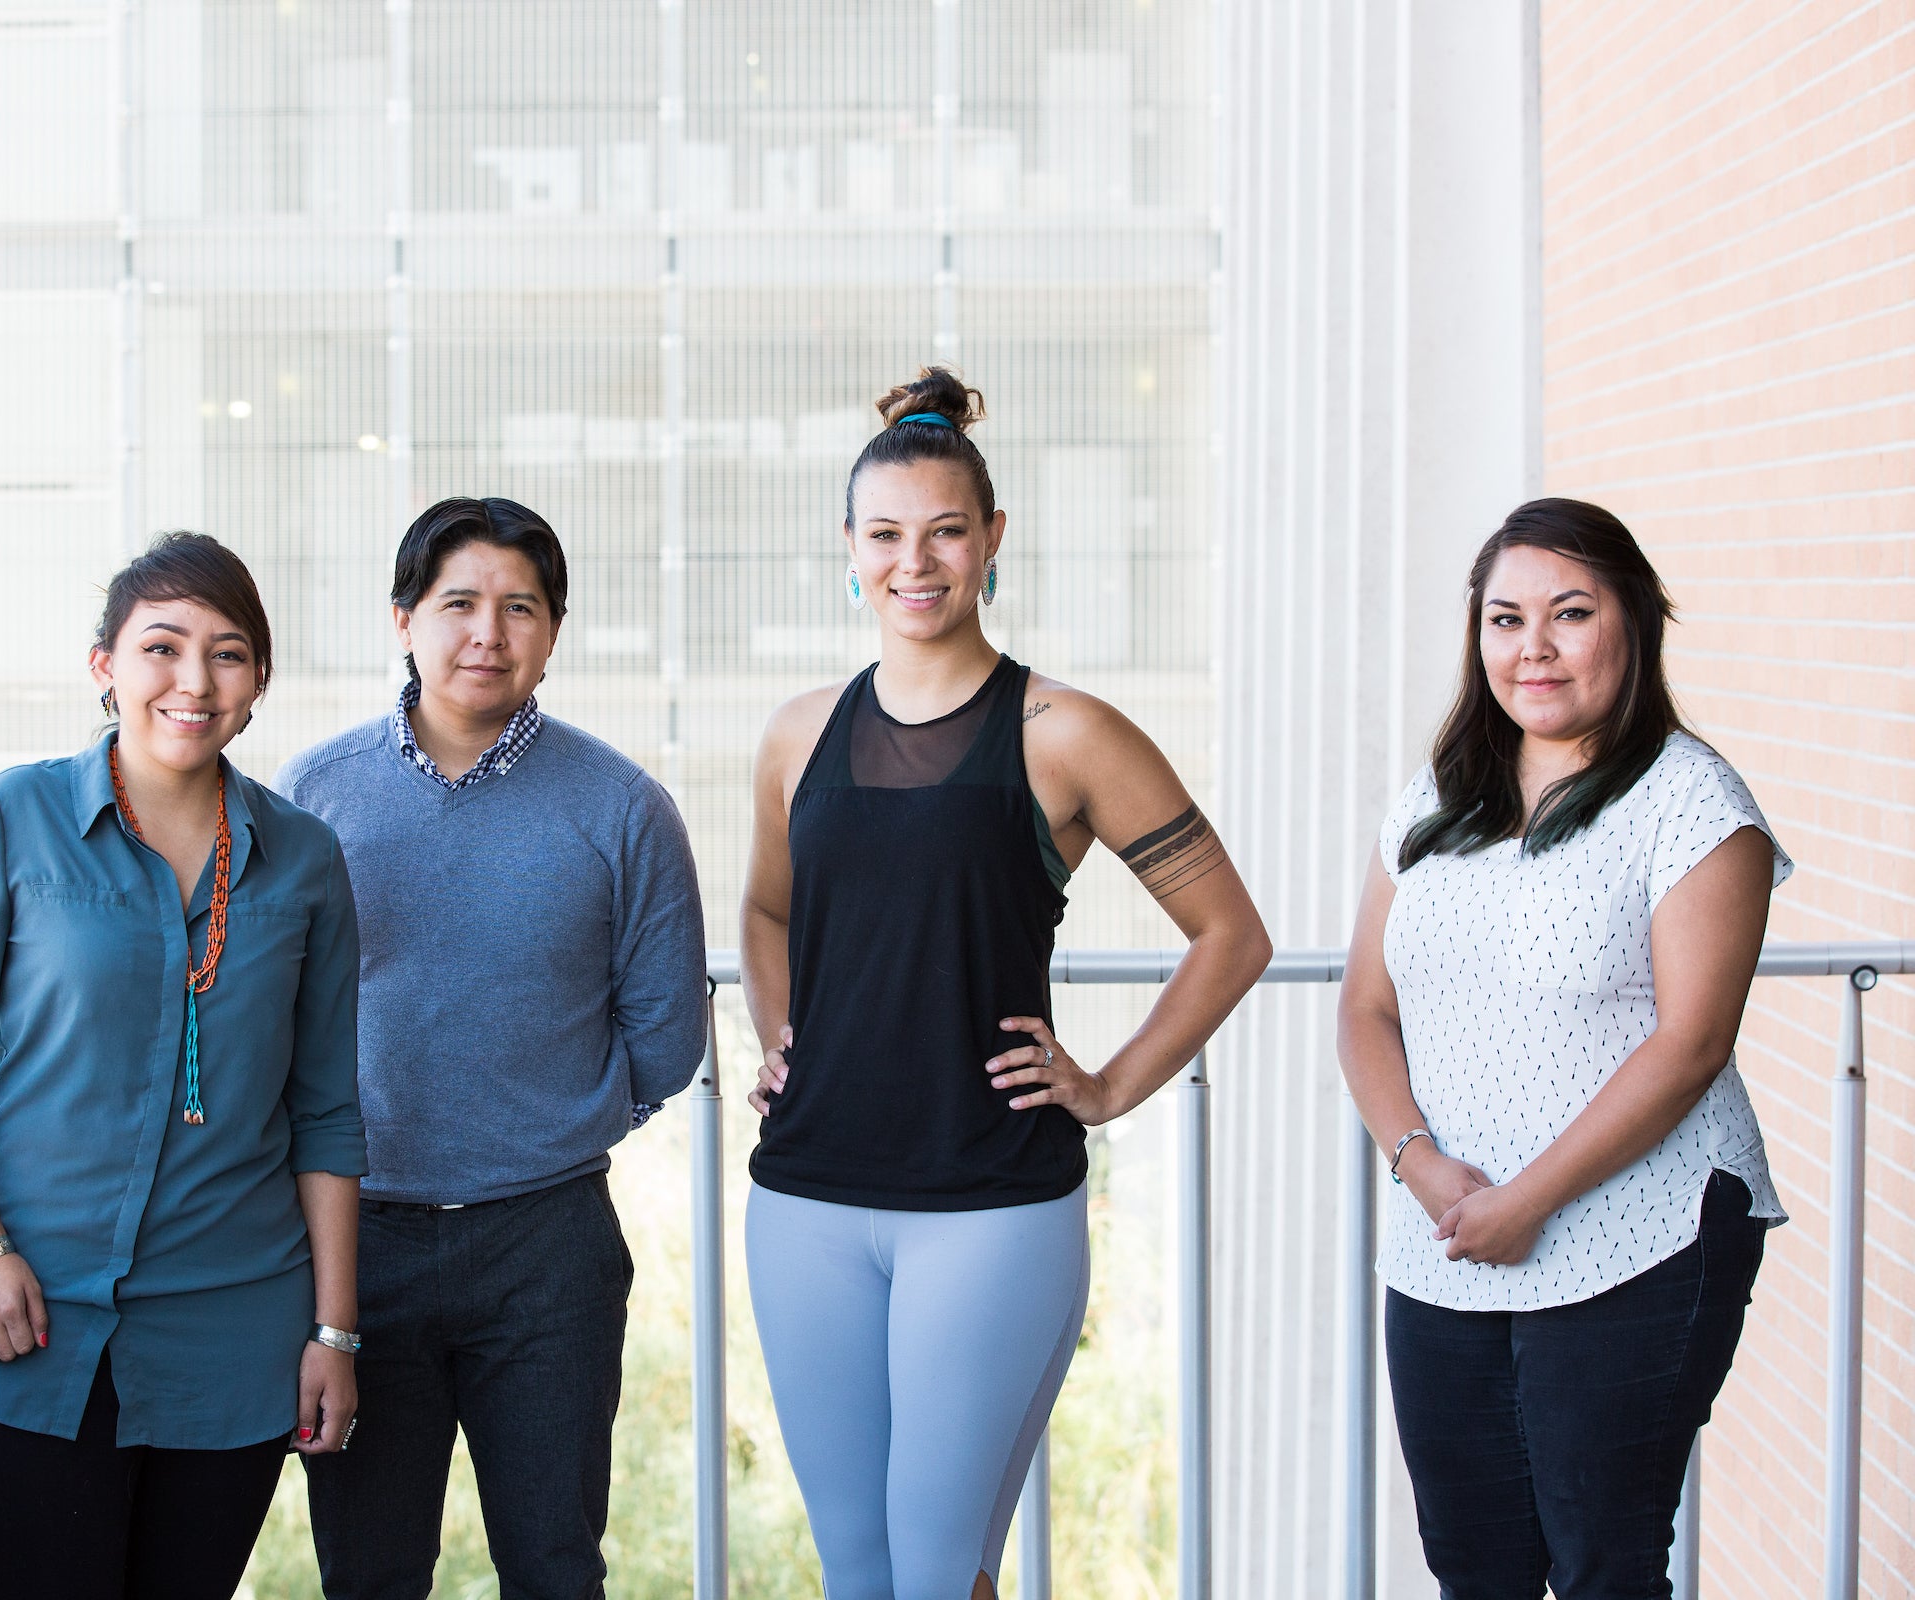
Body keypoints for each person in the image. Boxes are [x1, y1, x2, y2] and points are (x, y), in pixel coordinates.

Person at [741, 368, 1270, 1600]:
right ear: (850, 549)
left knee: (935, 1574)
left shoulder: (1063, 732)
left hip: (987, 1205)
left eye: (944, 532)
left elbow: (1230, 933)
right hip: (807, 1198)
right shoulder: (796, 732)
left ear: (991, 542)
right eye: (886, 535)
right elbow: (766, 909)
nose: (913, 562)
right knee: (859, 1576)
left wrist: (1108, 1085)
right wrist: (778, 1034)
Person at [0, 533, 366, 1600]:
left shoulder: (307, 859)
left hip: (238, 1332)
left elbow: (326, 1111)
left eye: (228, 655)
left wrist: (334, 1331)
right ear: (105, 666)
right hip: (39, 1316)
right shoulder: (16, 819)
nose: (194, 681)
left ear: (258, 682)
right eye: (162, 647)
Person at [1337, 498, 1791, 1600]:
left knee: (1605, 1565)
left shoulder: (1692, 801)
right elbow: (1364, 1008)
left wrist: (1527, 1198)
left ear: (1631, 624)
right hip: (1442, 1236)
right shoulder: (1438, 795)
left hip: (1642, 1234)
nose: (1531, 646)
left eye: (1569, 613)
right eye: (1504, 618)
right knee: (1475, 1568)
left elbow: (1690, 1044)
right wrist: (1420, 1163)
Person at [275, 495, 707, 1600]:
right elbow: (266, 1016)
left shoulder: (623, 807)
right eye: (459, 602)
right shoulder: (316, 797)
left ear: (554, 633)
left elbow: (665, 1034)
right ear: (403, 618)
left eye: (521, 607)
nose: (489, 633)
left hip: (548, 1245)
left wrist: (539, 1129)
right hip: (354, 1245)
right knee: (369, 1572)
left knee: (557, 1566)